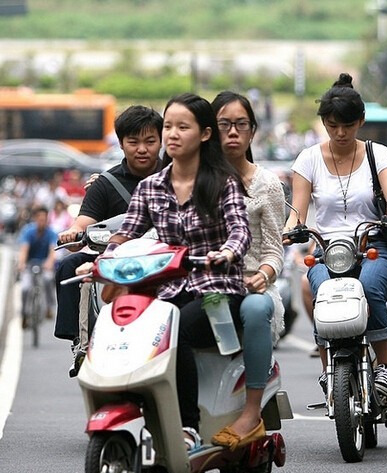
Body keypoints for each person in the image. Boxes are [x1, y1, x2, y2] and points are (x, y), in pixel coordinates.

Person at [105, 93, 251, 452]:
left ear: (203, 134)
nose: (171, 135)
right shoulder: (150, 187)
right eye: (167, 126)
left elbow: (240, 231)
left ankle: (188, 426)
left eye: (181, 127)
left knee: (175, 332)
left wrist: (227, 252)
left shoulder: (222, 182)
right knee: (130, 327)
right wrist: (102, 261)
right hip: (167, 289)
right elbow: (127, 233)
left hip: (216, 289)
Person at [283, 72, 387, 397]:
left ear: (361, 121)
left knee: (370, 287)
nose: (340, 133)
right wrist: (290, 230)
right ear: (323, 123)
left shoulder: (377, 154)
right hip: (327, 250)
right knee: (321, 295)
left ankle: (384, 365)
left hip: (374, 246)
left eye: (348, 125)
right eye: (332, 125)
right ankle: (327, 370)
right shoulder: (308, 159)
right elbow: (297, 213)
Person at [54, 105, 163, 377]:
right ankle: (82, 342)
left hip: (166, 258)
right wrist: (72, 234)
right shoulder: (105, 183)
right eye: (133, 142)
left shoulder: (177, 176)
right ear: (122, 144)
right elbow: (83, 223)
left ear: (162, 141)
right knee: (69, 267)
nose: (142, 149)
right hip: (114, 257)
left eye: (150, 141)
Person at [209, 91, 285, 450]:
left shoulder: (267, 184)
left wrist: (265, 275)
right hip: (206, 285)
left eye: (241, 125)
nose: (233, 133)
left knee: (255, 309)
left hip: (252, 286)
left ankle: (251, 413)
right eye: (225, 125)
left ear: (253, 132)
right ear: (210, 130)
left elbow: (274, 247)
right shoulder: (194, 179)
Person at [17, 206, 58, 327]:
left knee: (48, 280)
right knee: (25, 288)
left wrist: (50, 262)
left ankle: (49, 307)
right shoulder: (28, 231)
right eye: (40, 219)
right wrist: (22, 263)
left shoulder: (51, 233)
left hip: (44, 263)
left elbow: (52, 250)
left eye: (44, 219)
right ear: (35, 219)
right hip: (29, 263)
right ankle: (24, 313)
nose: (42, 222)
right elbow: (24, 249)